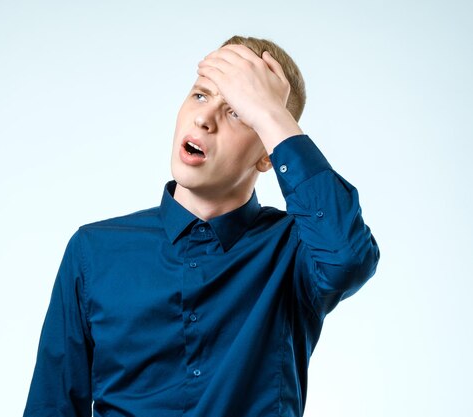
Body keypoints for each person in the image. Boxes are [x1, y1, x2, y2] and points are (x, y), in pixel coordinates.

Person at [22, 35, 380, 417]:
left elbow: (348, 257)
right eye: (201, 95)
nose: (204, 119)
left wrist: (271, 114)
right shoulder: (93, 251)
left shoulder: (294, 252)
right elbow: (51, 407)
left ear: (266, 154)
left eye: (238, 111)